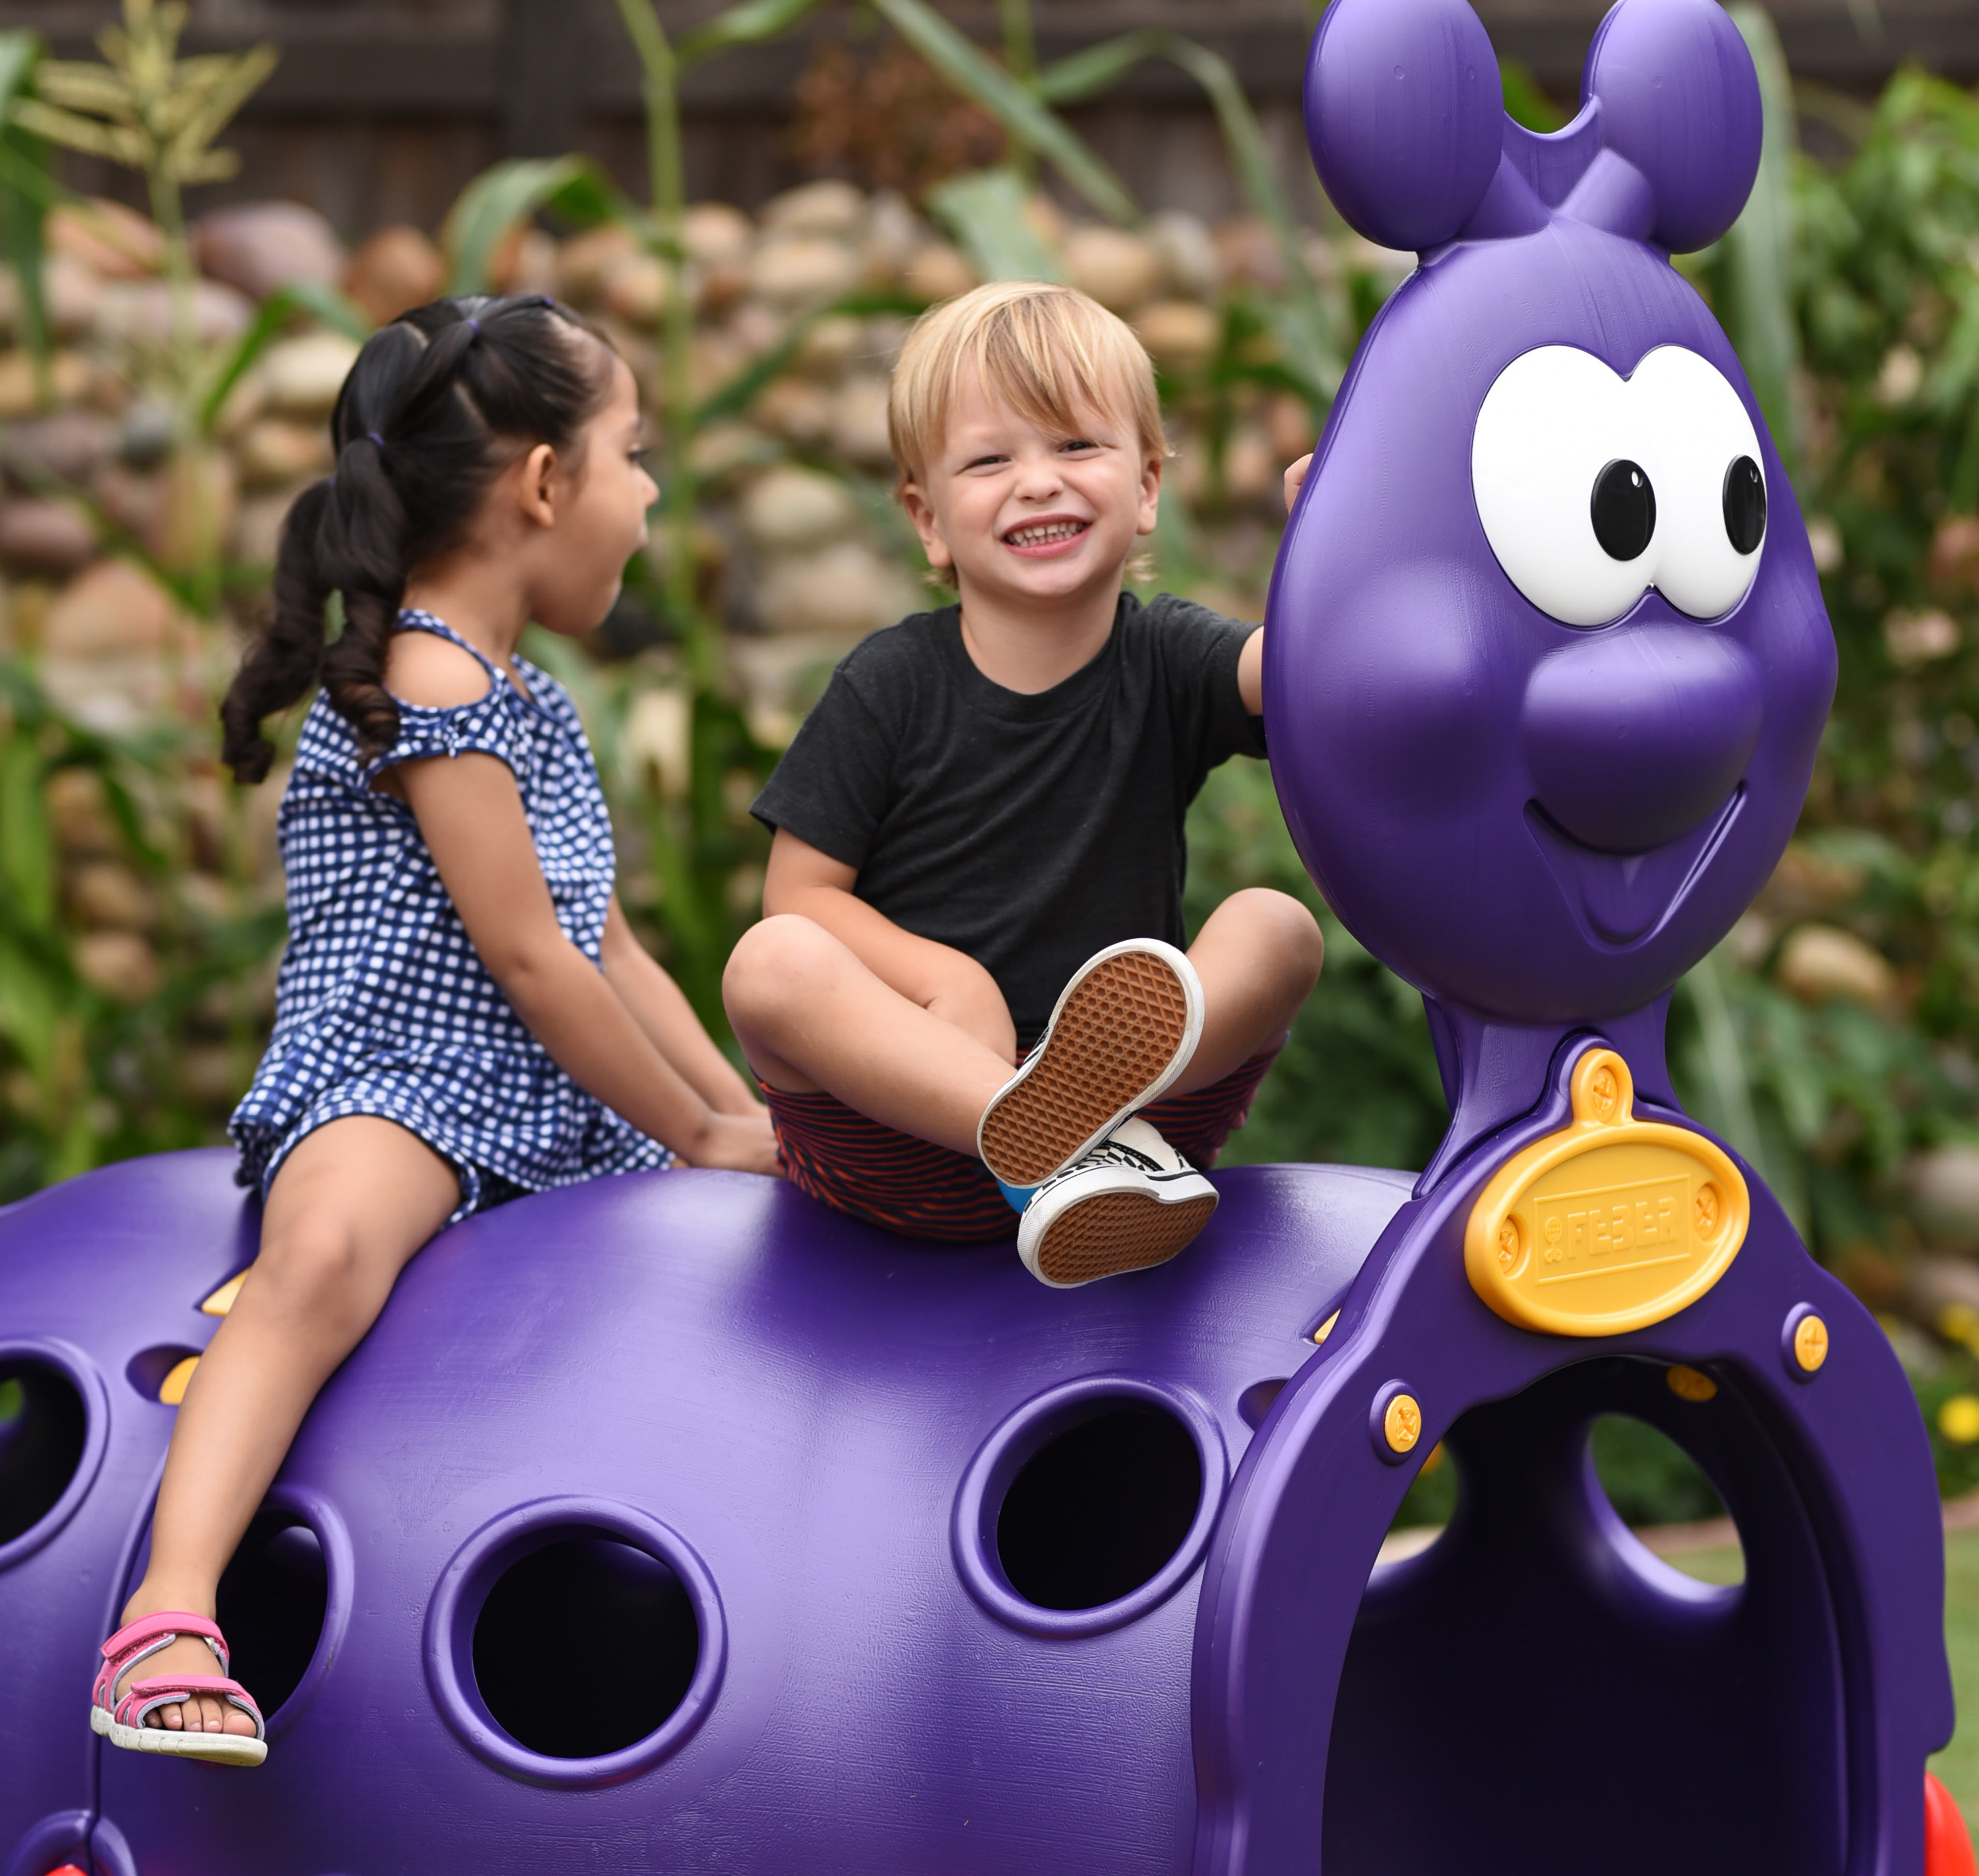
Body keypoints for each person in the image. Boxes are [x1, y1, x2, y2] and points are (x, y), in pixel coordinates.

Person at [90, 295, 779, 1768]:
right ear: (545, 484)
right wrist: (703, 1132)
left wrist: (747, 1119)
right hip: (399, 1089)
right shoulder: (430, 677)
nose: (650, 499)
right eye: (633, 457)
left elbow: (607, 941)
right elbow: (528, 962)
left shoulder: (529, 695)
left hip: (546, 1117)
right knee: (321, 1262)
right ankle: (167, 1612)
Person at [724, 281, 1323, 1291]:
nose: (1036, 482)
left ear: (1145, 485)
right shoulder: (890, 681)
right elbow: (801, 893)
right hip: (901, 1141)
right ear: (926, 517)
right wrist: (943, 981)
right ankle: (1047, 1139)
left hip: (1137, 1146)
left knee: (1276, 926)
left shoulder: (1165, 655)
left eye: (1075, 447)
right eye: (991, 459)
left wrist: (1332, 542)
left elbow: (1302, 672)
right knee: (770, 959)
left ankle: (1080, 1139)